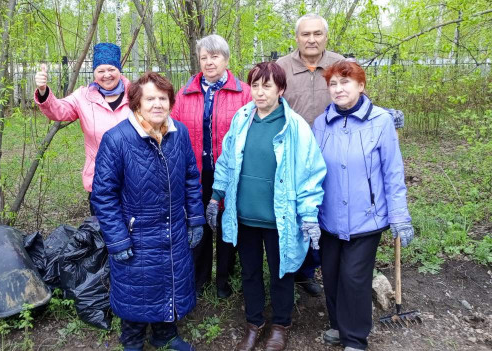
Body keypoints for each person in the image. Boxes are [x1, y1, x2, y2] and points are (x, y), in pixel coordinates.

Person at [208, 62, 326, 351]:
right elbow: (227, 160)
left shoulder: (294, 126)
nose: (259, 92)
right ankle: (254, 322)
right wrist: (215, 195)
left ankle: (281, 324)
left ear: (281, 89)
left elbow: (311, 173)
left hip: (279, 219)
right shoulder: (242, 117)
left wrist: (309, 215)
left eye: (267, 86)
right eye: (255, 86)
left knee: (281, 272)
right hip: (245, 215)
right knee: (249, 272)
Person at [91, 72, 205, 351]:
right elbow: (103, 195)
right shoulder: (117, 140)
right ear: (136, 103)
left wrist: (196, 219)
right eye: (150, 98)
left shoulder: (179, 134)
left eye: (163, 98)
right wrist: (117, 239)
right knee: (137, 287)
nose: (157, 104)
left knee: (170, 280)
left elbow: (191, 178)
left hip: (173, 228)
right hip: (136, 232)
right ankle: (131, 340)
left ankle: (165, 335)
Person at [312, 61, 414, 351]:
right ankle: (338, 325)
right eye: (333, 84)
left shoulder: (380, 121)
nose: (339, 89)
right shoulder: (321, 124)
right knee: (330, 276)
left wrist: (399, 216)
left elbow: (393, 172)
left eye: (346, 82)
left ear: (361, 85)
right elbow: (312, 171)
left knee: (354, 279)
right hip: (328, 217)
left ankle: (355, 339)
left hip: (366, 218)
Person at [171, 34, 252, 299]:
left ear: (226, 59)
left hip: (230, 174)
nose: (209, 62)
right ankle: (200, 278)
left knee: (228, 223)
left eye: (214, 56)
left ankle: (224, 280)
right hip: (195, 172)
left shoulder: (244, 93)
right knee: (199, 223)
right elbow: (173, 132)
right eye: (203, 57)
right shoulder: (185, 94)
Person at [276, 13, 345, 296]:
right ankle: (298, 271)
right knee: (295, 212)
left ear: (326, 37)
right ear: (297, 38)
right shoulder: (281, 67)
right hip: (293, 157)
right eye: (306, 34)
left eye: (317, 33)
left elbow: (356, 99)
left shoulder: (341, 65)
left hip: (335, 155)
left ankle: (322, 266)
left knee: (326, 210)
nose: (312, 39)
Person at [34, 43, 130, 214]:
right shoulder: (83, 97)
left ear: (119, 70)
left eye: (111, 69)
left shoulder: (137, 93)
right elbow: (59, 110)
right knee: (104, 234)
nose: (107, 75)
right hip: (101, 181)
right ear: (94, 73)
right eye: (101, 71)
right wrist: (43, 92)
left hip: (136, 179)